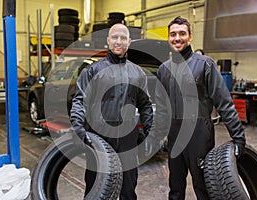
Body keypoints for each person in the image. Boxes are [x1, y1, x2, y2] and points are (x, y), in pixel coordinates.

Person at [156, 16, 246, 199]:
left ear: (190, 37)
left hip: (199, 137)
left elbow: (224, 103)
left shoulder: (205, 64)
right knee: (175, 188)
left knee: (203, 187)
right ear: (168, 38)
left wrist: (238, 138)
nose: (177, 38)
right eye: (173, 34)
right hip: (175, 138)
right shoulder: (163, 70)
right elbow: (162, 108)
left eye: (182, 33)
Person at [70, 23, 153, 199]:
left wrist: (150, 131)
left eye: (123, 38)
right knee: (96, 187)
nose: (118, 41)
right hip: (98, 137)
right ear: (108, 40)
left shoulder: (138, 73)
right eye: (114, 37)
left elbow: (145, 104)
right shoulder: (93, 71)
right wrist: (78, 127)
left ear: (129, 42)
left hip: (127, 140)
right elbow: (79, 100)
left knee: (128, 188)